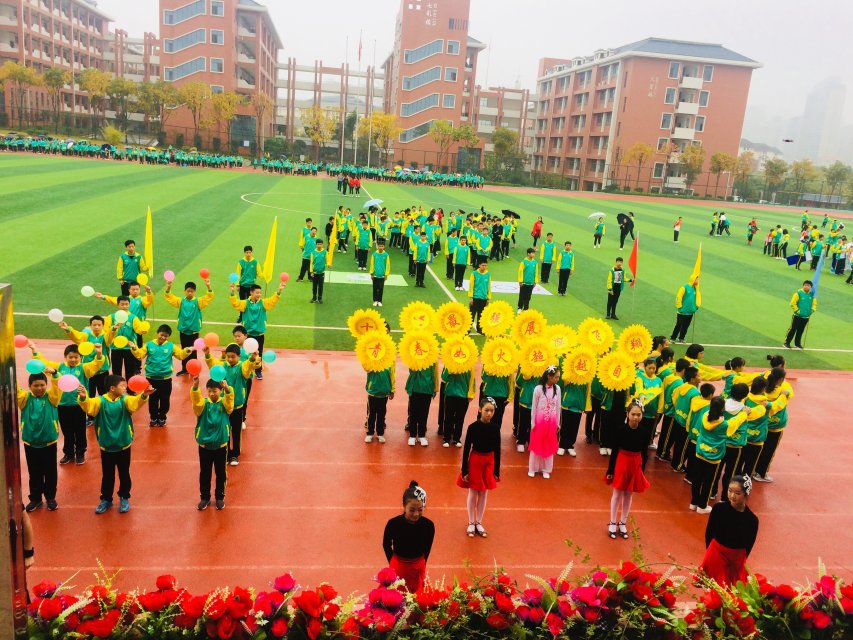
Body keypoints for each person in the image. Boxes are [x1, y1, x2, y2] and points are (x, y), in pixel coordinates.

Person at [78, 374, 153, 514]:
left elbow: (135, 403)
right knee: (107, 475)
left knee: (124, 473)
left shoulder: (125, 400)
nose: (125, 388)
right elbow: (89, 407)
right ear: (112, 388)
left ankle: (124, 496)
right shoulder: (100, 401)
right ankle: (106, 498)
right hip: (107, 446)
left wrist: (144, 395)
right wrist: (83, 397)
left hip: (124, 444)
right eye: (122, 386)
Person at [31, 341, 105, 464]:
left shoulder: (84, 368)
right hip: (62, 405)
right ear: (65, 357)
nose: (73, 359)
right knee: (67, 431)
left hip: (79, 405)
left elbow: (96, 364)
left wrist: (99, 354)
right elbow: (43, 363)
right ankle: (68, 453)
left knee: (80, 430)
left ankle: (80, 453)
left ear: (81, 358)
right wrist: (34, 351)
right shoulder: (59, 367)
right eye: (70, 357)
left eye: (76, 357)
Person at [204, 344, 260, 465]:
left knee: (236, 431)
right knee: (225, 430)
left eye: (233, 357)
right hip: (225, 405)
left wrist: (252, 358)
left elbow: (248, 367)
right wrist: (208, 354)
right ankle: (226, 453)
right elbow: (213, 365)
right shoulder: (223, 366)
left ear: (239, 356)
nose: (230, 359)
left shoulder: (242, 366)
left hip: (238, 406)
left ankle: (235, 454)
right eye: (228, 356)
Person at [699, 475, 759, 586]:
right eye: (729, 490)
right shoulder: (718, 509)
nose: (732, 496)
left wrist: (739, 561)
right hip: (716, 554)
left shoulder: (752, 520)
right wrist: (710, 553)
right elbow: (709, 533)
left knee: (732, 594)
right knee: (714, 590)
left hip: (736, 561)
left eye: (737, 493)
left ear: (746, 494)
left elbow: (748, 546)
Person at [130, 324, 193, 427]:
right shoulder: (149, 345)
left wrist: (187, 350)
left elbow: (180, 355)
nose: (163, 337)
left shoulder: (171, 346)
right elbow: (140, 355)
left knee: (165, 400)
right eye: (162, 335)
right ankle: (153, 417)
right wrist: (134, 348)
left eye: (166, 336)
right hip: (151, 378)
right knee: (152, 400)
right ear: (157, 333)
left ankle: (162, 417)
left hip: (165, 379)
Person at [605, 401, 651, 539]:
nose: (636, 417)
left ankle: (623, 522)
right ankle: (613, 522)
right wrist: (610, 470)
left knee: (629, 494)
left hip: (635, 463)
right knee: (617, 493)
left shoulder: (645, 432)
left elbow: (644, 453)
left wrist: (642, 470)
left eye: (639, 414)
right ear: (627, 414)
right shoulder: (620, 430)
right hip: (622, 461)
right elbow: (614, 451)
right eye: (633, 414)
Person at [457, 397, 501, 538]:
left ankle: (479, 522)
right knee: (473, 491)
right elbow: (466, 449)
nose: (489, 413)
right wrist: (465, 469)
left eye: (492, 411)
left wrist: (496, 470)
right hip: (475, 460)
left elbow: (497, 449)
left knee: (484, 492)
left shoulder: (495, 428)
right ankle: (471, 522)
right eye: (486, 410)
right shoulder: (473, 427)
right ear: (480, 409)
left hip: (489, 461)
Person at [18, 372, 62, 512]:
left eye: (42, 385)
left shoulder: (52, 398)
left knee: (50, 472)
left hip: (49, 443)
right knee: (34, 472)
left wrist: (55, 374)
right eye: (35, 385)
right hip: (31, 443)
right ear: (29, 386)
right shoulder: (24, 398)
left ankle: (50, 497)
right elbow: (15, 388)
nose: (39, 388)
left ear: (46, 385)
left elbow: (57, 387)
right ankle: (36, 498)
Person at [382, 481, 434, 592]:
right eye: (412, 510)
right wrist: (393, 562)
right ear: (404, 506)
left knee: (417, 600)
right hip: (398, 567)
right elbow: (386, 544)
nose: (416, 514)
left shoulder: (429, 525)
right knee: (396, 599)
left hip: (418, 567)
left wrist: (422, 564)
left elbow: (427, 548)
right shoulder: (393, 523)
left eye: (420, 510)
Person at [191, 377, 233, 510]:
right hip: (205, 446)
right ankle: (205, 497)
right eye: (209, 391)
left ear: (220, 391)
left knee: (221, 473)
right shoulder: (203, 405)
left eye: (214, 390)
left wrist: (228, 390)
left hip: (221, 446)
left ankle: (220, 497)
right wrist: (196, 388)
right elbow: (196, 402)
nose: (211, 394)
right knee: (205, 472)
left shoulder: (224, 405)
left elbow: (230, 404)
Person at [229, 280, 285, 368]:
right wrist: (232, 293)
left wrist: (279, 290)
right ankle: (247, 368)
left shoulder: (263, 303)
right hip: (248, 334)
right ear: (251, 292)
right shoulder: (245, 303)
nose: (259, 294)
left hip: (260, 333)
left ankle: (258, 370)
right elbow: (235, 303)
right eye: (257, 292)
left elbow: (273, 301)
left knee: (259, 352)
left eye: (260, 293)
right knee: (246, 353)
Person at [164, 278, 214, 376]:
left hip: (193, 332)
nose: (190, 293)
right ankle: (185, 368)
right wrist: (168, 287)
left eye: (192, 291)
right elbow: (170, 297)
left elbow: (209, 296)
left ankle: (194, 369)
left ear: (194, 292)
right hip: (183, 331)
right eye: (188, 291)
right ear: (185, 291)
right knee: (184, 350)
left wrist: (208, 285)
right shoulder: (180, 301)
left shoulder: (198, 302)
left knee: (193, 352)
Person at [753, 368, 793, 482]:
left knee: (758, 448)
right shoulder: (783, 391)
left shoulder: (763, 389)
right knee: (769, 451)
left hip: (761, 425)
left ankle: (752, 470)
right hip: (775, 426)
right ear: (781, 379)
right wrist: (785, 394)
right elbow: (784, 400)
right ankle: (761, 473)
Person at [528, 367, 561, 479]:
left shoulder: (558, 389)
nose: (557, 379)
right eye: (556, 377)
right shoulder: (538, 389)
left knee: (548, 444)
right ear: (549, 376)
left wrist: (557, 423)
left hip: (551, 422)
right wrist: (533, 422)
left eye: (558, 377)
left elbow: (557, 407)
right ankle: (533, 468)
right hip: (539, 421)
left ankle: (546, 469)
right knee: (536, 444)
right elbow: (534, 406)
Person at [104, 296, 147, 380]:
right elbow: (105, 331)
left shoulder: (133, 318)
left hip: (129, 348)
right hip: (115, 347)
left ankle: (130, 389)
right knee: (116, 371)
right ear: (118, 304)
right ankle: (117, 390)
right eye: (122, 304)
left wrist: (143, 330)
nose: (124, 306)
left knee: (130, 371)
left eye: (126, 304)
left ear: (129, 305)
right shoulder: (111, 317)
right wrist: (113, 328)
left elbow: (138, 329)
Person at [442, 363, 476, 448]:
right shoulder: (449, 362)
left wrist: (471, 394)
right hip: (450, 394)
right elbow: (443, 377)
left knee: (460, 418)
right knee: (448, 417)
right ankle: (446, 438)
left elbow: (472, 380)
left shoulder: (469, 364)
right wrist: (450, 370)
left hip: (463, 396)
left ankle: (457, 438)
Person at [405, 362, 438, 445]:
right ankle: (412, 435)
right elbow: (412, 370)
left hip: (427, 389)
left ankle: (421, 435)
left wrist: (435, 388)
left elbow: (435, 373)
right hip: (415, 388)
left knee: (424, 413)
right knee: (413, 412)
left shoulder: (433, 358)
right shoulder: (414, 356)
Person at [367, 358, 395, 445]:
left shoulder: (390, 360)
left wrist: (392, 389)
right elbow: (366, 368)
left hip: (384, 392)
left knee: (381, 413)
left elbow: (392, 375)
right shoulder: (370, 358)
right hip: (373, 391)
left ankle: (380, 433)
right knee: (371, 413)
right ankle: (370, 433)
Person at [784, 280, 815, 349]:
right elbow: (792, 303)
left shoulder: (812, 295)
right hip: (797, 316)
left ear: (810, 287)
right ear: (803, 286)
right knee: (793, 329)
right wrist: (798, 311)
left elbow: (814, 304)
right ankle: (787, 343)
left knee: (801, 330)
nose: (806, 287)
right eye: (805, 285)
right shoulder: (798, 293)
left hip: (806, 317)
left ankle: (797, 344)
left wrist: (812, 311)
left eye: (808, 285)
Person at [671, 277, 701, 343]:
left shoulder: (695, 288)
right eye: (697, 279)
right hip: (682, 312)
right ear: (693, 279)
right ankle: (673, 338)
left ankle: (681, 338)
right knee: (679, 325)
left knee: (686, 326)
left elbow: (697, 297)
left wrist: (696, 307)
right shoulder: (684, 287)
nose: (698, 281)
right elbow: (679, 297)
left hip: (690, 312)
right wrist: (679, 307)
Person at [468, 260, 491, 334]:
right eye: (483, 265)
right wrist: (471, 297)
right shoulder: (474, 274)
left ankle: (479, 329)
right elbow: (471, 286)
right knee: (471, 314)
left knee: (481, 315)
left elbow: (489, 287)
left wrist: (488, 298)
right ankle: (467, 330)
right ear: (479, 265)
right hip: (475, 297)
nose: (484, 267)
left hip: (483, 298)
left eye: (485, 265)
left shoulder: (488, 274)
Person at [236, 246, 259, 320]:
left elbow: (259, 273)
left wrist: (266, 276)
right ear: (244, 253)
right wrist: (237, 285)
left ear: (252, 252)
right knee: (242, 302)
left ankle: (251, 316)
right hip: (242, 285)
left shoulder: (255, 262)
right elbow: (238, 274)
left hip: (251, 286)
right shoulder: (240, 262)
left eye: (249, 252)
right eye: (247, 252)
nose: (248, 254)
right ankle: (241, 317)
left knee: (252, 302)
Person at [309, 239, 332, 304]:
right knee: (314, 286)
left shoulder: (325, 252)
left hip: (321, 272)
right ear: (316, 244)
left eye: (320, 244)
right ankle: (314, 298)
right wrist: (311, 272)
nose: (319, 245)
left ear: (322, 244)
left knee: (321, 286)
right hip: (315, 273)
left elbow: (327, 260)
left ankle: (319, 298)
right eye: (318, 244)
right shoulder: (313, 252)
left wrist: (329, 265)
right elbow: (311, 263)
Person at [369, 238, 391, 307]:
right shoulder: (374, 254)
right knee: (375, 288)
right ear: (377, 246)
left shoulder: (386, 255)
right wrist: (371, 273)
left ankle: (380, 301)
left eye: (382, 246)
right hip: (375, 275)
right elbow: (372, 264)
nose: (381, 247)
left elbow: (388, 265)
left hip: (382, 275)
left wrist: (386, 274)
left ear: (384, 247)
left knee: (381, 288)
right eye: (379, 246)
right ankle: (375, 300)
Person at [517, 248, 538, 312]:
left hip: (531, 283)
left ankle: (526, 308)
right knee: (522, 296)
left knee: (528, 297)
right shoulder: (524, 262)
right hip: (524, 283)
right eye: (532, 253)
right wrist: (520, 281)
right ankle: (520, 308)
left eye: (534, 253)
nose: (533, 254)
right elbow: (520, 272)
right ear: (528, 254)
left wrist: (535, 282)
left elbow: (536, 272)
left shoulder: (535, 262)